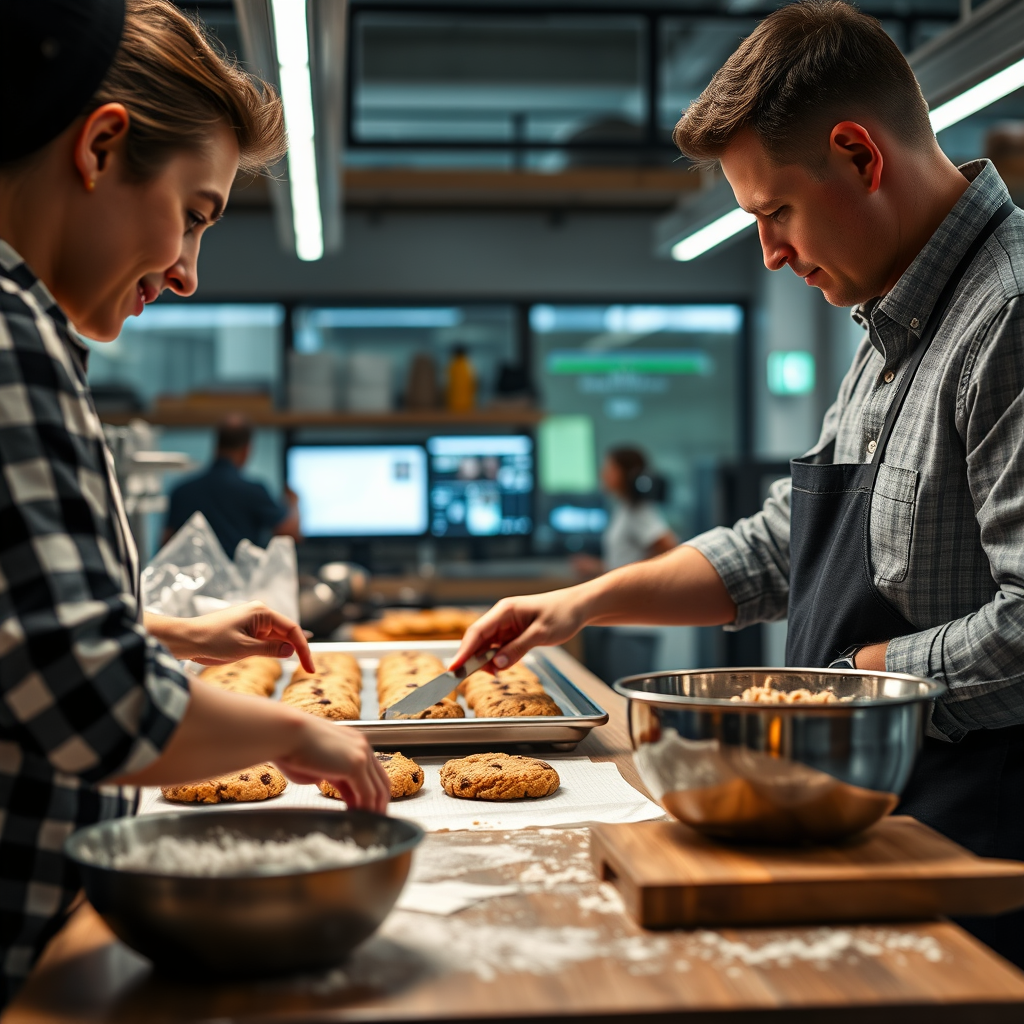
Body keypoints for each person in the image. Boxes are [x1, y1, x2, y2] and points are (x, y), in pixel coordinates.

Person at [455, 0, 1024, 967]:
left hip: (968, 853)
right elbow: (777, 552)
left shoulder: (1007, 317)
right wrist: (578, 604)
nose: (766, 251)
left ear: (859, 155)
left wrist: (847, 689)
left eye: (774, 213)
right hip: (868, 826)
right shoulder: (892, 325)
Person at [0, 0, 389, 1004]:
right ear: (101, 145)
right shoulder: (11, 340)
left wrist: (161, 630)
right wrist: (299, 736)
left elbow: (21, 643)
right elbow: (90, 702)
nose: (185, 273)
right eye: (194, 215)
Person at [574, 447, 678, 683]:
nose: (603, 474)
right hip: (623, 619)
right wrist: (598, 567)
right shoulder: (625, 509)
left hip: (636, 624)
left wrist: (639, 579)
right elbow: (626, 560)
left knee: (630, 693)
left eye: (609, 469)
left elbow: (670, 547)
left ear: (624, 474)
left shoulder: (640, 512)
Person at [163, 416, 301, 555]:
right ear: (247, 449)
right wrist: (293, 502)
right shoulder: (253, 491)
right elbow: (289, 533)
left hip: (194, 575)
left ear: (217, 446)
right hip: (241, 576)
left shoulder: (182, 491)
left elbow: (166, 543)